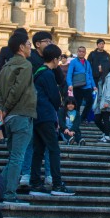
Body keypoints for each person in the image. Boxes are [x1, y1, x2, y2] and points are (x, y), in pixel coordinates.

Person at [29, 44, 75, 197]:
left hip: (37, 116)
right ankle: (57, 184)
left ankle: (35, 183)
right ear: (55, 60)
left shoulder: (38, 73)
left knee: (39, 149)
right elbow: (55, 97)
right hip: (47, 115)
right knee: (54, 149)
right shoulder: (48, 74)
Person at [0, 31, 36, 203]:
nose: (30, 48)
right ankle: (9, 193)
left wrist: (0, 108)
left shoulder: (5, 66)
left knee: (13, 156)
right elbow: (17, 90)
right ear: (21, 47)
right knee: (17, 157)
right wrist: (5, 108)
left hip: (10, 118)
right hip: (21, 114)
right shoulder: (26, 66)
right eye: (28, 44)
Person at [66, 46, 96, 138]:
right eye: (80, 51)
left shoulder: (87, 63)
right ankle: (76, 120)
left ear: (85, 53)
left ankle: (82, 117)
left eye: (83, 52)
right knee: (77, 104)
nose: (81, 53)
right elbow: (69, 74)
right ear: (77, 52)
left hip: (87, 86)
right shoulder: (73, 62)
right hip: (78, 86)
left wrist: (94, 86)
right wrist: (69, 84)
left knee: (90, 102)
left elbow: (91, 75)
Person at [95, 64, 110, 143]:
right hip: (100, 101)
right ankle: (105, 133)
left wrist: (107, 101)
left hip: (106, 101)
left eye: (100, 66)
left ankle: (107, 136)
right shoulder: (103, 76)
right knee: (97, 119)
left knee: (105, 118)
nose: (99, 67)